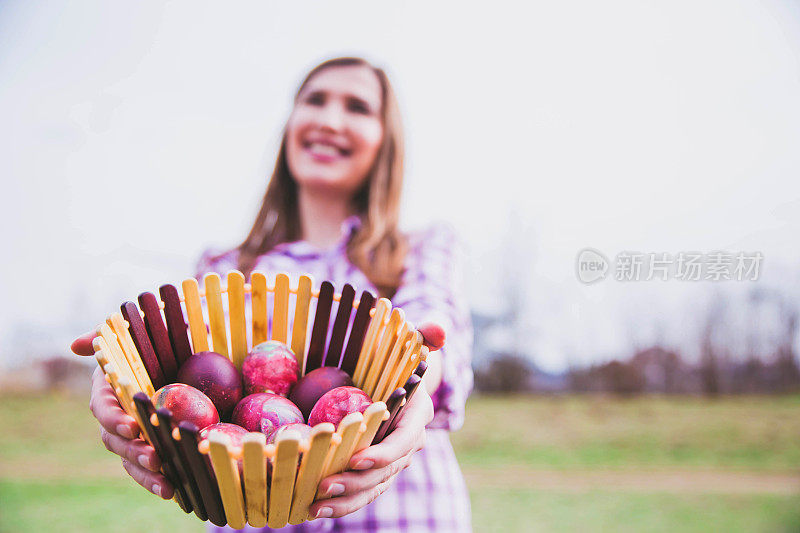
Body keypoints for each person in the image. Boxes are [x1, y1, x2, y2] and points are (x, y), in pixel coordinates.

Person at [71, 57, 474, 532]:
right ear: (290, 123)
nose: (329, 119)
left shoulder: (420, 249)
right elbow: (183, 367)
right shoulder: (226, 271)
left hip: (403, 515)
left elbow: (430, 330)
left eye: (358, 107)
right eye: (315, 100)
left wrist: (416, 385)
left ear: (386, 139)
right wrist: (125, 373)